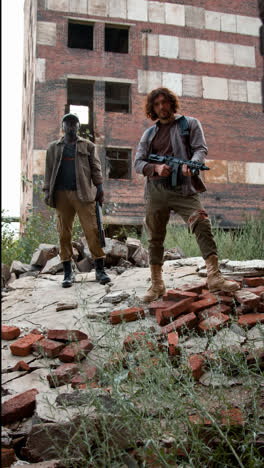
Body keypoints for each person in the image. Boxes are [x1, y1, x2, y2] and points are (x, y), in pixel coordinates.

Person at [134, 87, 239, 303]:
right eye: (157, 104)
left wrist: (194, 165)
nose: (162, 107)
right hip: (156, 191)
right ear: (153, 108)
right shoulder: (149, 134)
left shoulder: (189, 124)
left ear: (172, 103)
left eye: (165, 102)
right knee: (155, 237)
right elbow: (137, 163)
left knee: (201, 222)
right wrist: (156, 168)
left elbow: (200, 149)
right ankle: (156, 285)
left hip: (184, 188)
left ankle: (214, 275)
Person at [43, 113, 110, 288]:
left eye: (74, 123)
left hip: (84, 194)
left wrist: (100, 188)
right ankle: (67, 273)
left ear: (78, 126)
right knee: (64, 234)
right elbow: (48, 171)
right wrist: (46, 191)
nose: (71, 126)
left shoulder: (88, 146)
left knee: (92, 231)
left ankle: (100, 270)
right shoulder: (53, 148)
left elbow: (96, 167)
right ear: (62, 127)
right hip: (61, 195)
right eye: (67, 123)